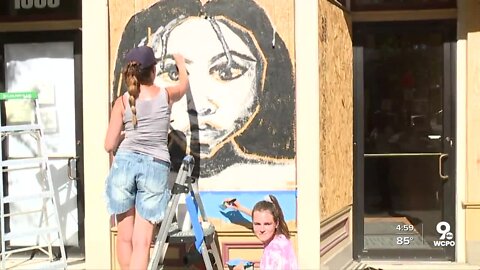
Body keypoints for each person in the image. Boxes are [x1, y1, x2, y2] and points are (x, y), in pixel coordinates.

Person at [111, 0, 295, 190]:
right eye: (171, 73)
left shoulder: (282, 178)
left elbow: (109, 144)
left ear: (263, 78)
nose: (199, 105)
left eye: (227, 72)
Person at [104, 45, 189, 270]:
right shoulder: (166, 95)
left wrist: (125, 133)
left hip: (124, 164)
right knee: (142, 242)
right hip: (155, 166)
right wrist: (180, 62)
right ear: (153, 71)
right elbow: (182, 86)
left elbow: (108, 145)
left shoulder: (122, 102)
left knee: (124, 237)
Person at [223, 196, 298, 270]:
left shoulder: (273, 253)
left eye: (267, 224)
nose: (262, 229)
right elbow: (263, 217)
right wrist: (241, 208)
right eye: (257, 224)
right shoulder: (282, 238)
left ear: (276, 223)